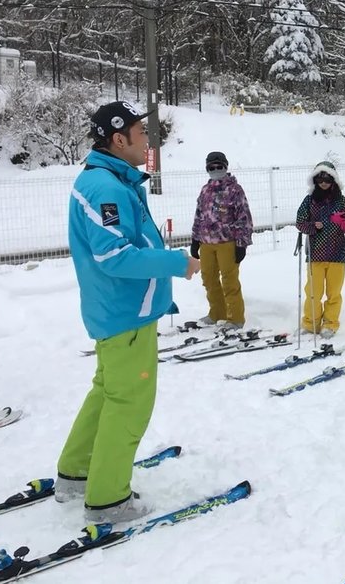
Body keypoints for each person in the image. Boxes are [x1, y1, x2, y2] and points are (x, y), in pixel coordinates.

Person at [58, 100, 201, 524]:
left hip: (118, 313)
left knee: (107, 393)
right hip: (125, 316)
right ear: (118, 140)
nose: (147, 141)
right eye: (141, 134)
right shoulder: (106, 188)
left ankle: (77, 471)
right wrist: (177, 263)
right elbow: (115, 256)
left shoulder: (113, 180)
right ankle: (107, 500)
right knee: (129, 404)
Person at [190, 151, 254, 329]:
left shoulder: (234, 190)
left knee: (229, 281)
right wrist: (195, 240)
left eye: (219, 167)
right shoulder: (205, 190)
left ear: (226, 167)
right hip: (206, 243)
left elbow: (244, 217)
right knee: (208, 278)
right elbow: (199, 215)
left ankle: (235, 318)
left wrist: (242, 244)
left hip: (227, 242)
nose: (216, 170)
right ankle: (217, 312)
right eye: (212, 167)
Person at [295, 161, 345, 338]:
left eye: (328, 179)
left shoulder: (341, 201)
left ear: (334, 180)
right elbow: (300, 223)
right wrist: (313, 226)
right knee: (313, 292)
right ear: (315, 180)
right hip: (315, 254)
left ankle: (330, 323)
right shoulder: (309, 200)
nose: (324, 182)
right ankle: (310, 323)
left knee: (333, 293)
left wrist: (342, 222)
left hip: (338, 255)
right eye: (320, 179)